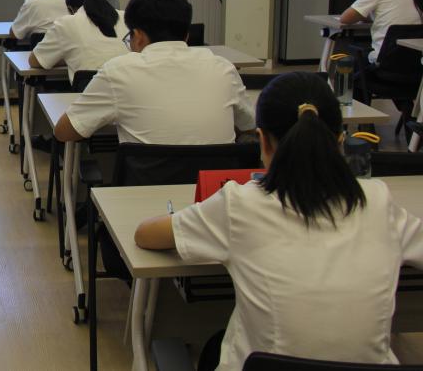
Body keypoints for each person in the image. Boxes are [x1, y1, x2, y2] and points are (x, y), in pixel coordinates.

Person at [134, 71, 423, 370]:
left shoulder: (241, 204)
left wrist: (187, 216)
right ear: (340, 142)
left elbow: (146, 235)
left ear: (263, 142)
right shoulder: (377, 201)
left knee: (214, 348)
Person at [54, 0, 254, 144]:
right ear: (186, 35)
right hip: (213, 181)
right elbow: (250, 124)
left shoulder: (118, 71)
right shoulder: (223, 68)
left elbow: (64, 132)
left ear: (139, 36)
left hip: (144, 181)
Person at [28, 0, 127, 84]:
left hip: (90, 92)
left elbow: (35, 61)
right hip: (131, 87)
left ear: (70, 9)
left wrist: (68, 56)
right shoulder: (126, 17)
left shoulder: (65, 24)